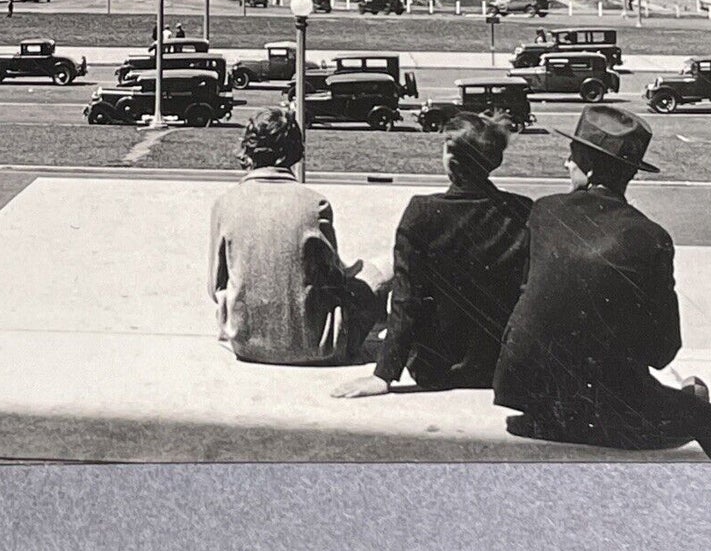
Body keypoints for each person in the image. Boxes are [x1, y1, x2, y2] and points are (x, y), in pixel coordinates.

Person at [492, 105, 711, 462]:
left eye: (571, 157)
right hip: (602, 409)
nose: (565, 164)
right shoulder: (651, 237)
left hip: (530, 396)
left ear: (588, 169)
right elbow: (663, 350)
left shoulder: (544, 211)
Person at [332, 114, 531, 399]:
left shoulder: (422, 213)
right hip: (496, 366)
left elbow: (406, 299)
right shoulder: (522, 211)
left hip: (434, 368)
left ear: (451, 159)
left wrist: (383, 374)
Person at [208, 109, 389, 366]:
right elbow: (335, 277)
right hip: (317, 346)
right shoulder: (315, 203)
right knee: (382, 268)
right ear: (293, 151)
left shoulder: (225, 203)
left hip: (247, 345)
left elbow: (215, 287)